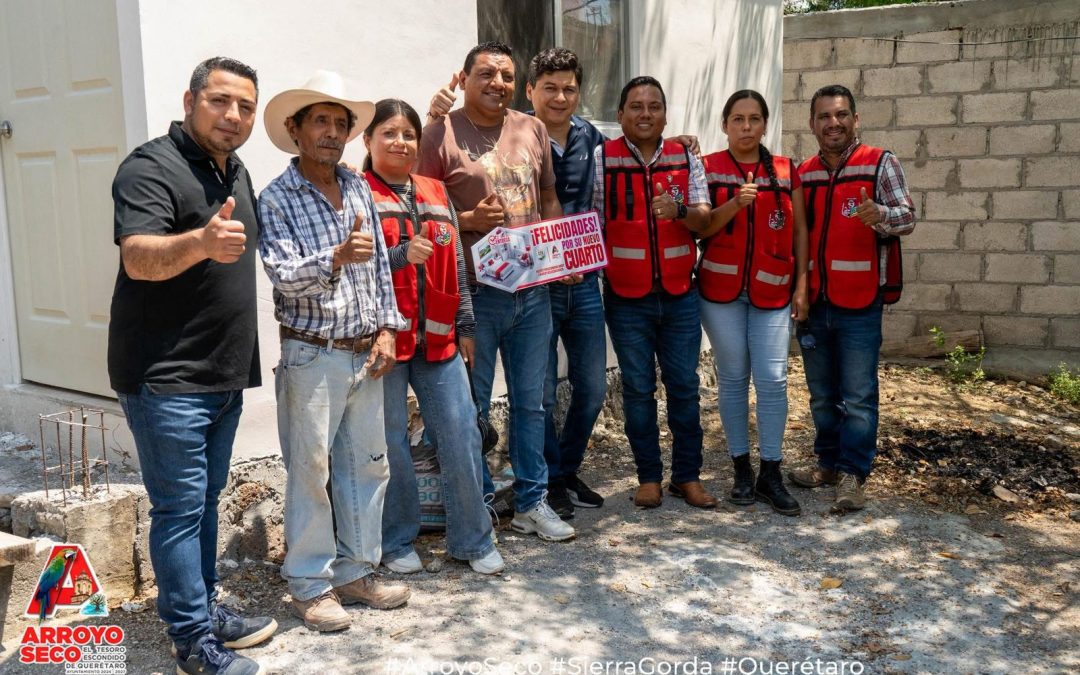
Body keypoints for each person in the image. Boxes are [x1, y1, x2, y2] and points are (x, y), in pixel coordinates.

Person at [109, 56, 275, 675]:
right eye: (220, 101)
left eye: (246, 107)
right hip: (165, 375)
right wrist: (200, 243)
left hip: (222, 372)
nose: (233, 116)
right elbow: (138, 258)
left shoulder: (235, 171)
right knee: (179, 508)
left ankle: (204, 611)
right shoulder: (150, 167)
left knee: (203, 502)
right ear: (190, 100)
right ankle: (192, 643)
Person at [258, 71, 410, 633]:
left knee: (367, 467)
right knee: (310, 471)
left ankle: (354, 571)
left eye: (340, 124)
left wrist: (388, 329)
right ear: (295, 130)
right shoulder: (276, 197)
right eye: (319, 121)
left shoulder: (358, 187)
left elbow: (380, 272)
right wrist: (335, 257)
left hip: (365, 350)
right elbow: (280, 273)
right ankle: (309, 584)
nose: (331, 132)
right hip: (311, 354)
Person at [416, 41, 574, 542]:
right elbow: (416, 209)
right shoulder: (439, 134)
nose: (498, 83)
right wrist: (463, 219)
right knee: (473, 408)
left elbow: (547, 194)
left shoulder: (532, 128)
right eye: (486, 74)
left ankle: (531, 502)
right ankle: (479, 503)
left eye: (506, 75)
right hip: (475, 295)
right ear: (463, 79)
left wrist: (558, 248)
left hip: (531, 289)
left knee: (532, 403)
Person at [362, 98, 504, 575]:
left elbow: (458, 268)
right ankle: (397, 541)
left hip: (440, 341)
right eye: (389, 133)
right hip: (385, 343)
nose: (400, 142)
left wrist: (466, 325)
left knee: (461, 434)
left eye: (408, 134)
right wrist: (402, 254)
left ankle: (473, 540)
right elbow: (355, 267)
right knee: (391, 444)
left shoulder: (436, 191)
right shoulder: (358, 192)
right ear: (369, 141)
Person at [788, 84, 916, 510]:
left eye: (841, 114)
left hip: (861, 302)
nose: (833, 123)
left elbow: (908, 216)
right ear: (812, 124)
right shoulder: (802, 172)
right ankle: (826, 463)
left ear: (855, 119)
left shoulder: (880, 163)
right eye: (824, 116)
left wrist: (879, 215)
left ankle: (852, 475)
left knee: (859, 395)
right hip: (815, 302)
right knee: (822, 394)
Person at [591, 76, 713, 509]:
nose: (645, 113)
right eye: (636, 106)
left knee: (684, 386)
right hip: (626, 297)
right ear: (621, 114)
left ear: (665, 113)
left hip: (680, 294)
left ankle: (687, 476)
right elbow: (591, 225)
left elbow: (704, 219)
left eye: (654, 106)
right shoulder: (601, 159)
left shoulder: (686, 158)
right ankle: (648, 477)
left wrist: (679, 210)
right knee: (638, 389)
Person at [698, 90, 808, 516]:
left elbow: (799, 233)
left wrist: (802, 286)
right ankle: (741, 468)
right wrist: (734, 202)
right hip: (720, 293)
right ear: (725, 124)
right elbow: (699, 227)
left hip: (773, 292)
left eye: (755, 119)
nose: (746, 127)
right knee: (732, 378)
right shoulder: (707, 168)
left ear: (766, 124)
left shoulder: (784, 170)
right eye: (738, 119)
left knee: (773, 379)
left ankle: (771, 472)